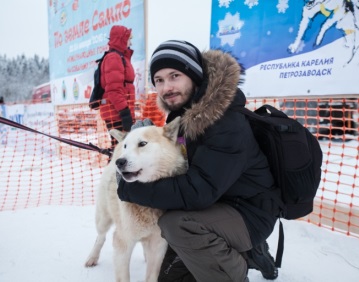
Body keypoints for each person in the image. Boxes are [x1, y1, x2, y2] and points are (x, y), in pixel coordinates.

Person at [117, 40, 279, 281]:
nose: (166, 87)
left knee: (174, 224)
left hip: (247, 211)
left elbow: (197, 191)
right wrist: (149, 140)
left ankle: (237, 267)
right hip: (214, 206)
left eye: (174, 76)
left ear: (194, 75)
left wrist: (130, 188)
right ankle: (238, 249)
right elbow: (180, 162)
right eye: (159, 80)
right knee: (168, 277)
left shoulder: (225, 122)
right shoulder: (184, 114)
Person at [99, 25, 136, 142]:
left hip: (119, 111)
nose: (131, 43)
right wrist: (124, 112)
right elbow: (114, 89)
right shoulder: (113, 58)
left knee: (123, 149)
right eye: (129, 39)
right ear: (121, 39)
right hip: (117, 114)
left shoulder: (120, 57)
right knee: (120, 150)